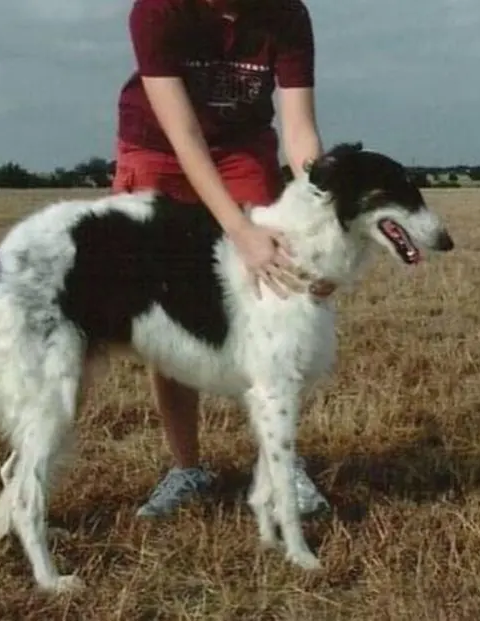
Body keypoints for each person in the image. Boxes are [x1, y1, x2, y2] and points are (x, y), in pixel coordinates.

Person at [112, 0, 331, 518]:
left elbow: (300, 133)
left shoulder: (287, 13)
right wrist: (238, 229)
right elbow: (184, 136)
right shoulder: (157, 10)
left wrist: (321, 220)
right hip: (159, 148)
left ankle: (280, 465)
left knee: (275, 292)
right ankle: (187, 468)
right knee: (168, 313)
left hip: (243, 148)